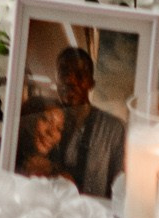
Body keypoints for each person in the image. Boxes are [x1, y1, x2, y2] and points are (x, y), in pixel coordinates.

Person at [52, 44, 125, 202]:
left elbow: (120, 192)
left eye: (79, 74)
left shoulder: (114, 130)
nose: (70, 80)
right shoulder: (43, 124)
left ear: (91, 83)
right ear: (56, 79)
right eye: (64, 72)